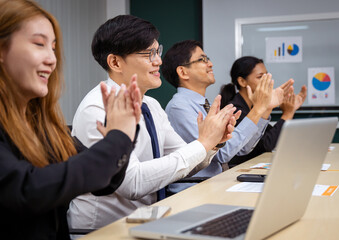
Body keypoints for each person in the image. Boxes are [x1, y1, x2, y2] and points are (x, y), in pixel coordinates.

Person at [68, 15, 237, 231]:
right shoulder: (98, 108)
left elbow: (188, 161)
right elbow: (133, 183)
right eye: (149, 54)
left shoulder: (151, 105)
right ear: (115, 62)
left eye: (158, 51)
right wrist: (201, 145)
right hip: (104, 231)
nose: (158, 60)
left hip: (148, 222)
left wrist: (213, 144)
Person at [0, 0, 141, 239]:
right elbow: (27, 191)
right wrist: (117, 140)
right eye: (39, 44)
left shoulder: (41, 124)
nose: (52, 59)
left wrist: (123, 136)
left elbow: (104, 182)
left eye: (53, 48)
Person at [161, 40, 292, 193]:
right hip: (194, 189)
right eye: (202, 59)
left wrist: (265, 109)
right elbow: (223, 154)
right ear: (183, 72)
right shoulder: (180, 107)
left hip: (213, 184)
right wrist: (258, 109)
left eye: (208, 58)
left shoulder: (202, 103)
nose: (210, 64)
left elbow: (241, 149)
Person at [220, 56, 307, 165]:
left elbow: (271, 138)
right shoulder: (236, 110)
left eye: (267, 76)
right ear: (242, 81)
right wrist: (287, 114)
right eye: (261, 77)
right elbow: (265, 145)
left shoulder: (251, 106)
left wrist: (270, 108)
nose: (268, 81)